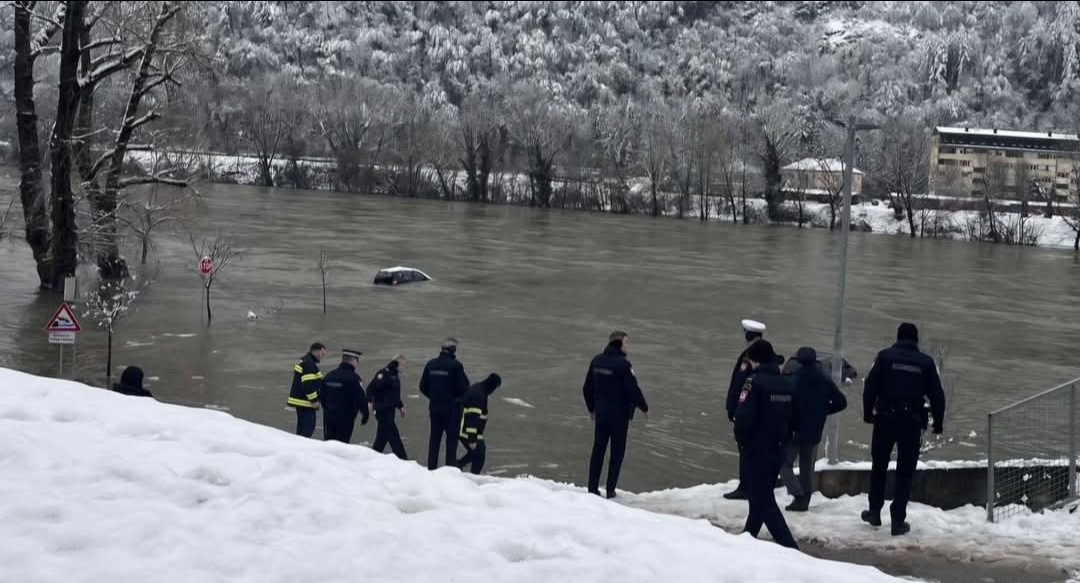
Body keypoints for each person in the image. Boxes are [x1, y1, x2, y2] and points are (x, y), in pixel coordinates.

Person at [861, 322, 946, 536]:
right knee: (905, 471)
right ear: (915, 340)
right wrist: (938, 422)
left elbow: (870, 387)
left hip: (885, 419)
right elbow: (937, 395)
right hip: (912, 421)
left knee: (879, 465)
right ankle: (898, 520)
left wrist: (868, 413)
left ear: (898, 337)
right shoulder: (926, 363)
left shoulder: (884, 357)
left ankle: (874, 511)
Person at [733, 339, 799, 550]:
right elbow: (794, 418)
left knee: (764, 502)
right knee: (759, 497)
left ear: (756, 360)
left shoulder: (754, 382)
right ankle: (748, 537)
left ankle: (791, 549)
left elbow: (743, 417)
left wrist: (742, 441)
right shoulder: (786, 384)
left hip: (756, 449)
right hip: (777, 449)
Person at [583, 330, 649, 499]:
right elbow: (632, 389)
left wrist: (592, 409)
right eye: (626, 342)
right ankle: (610, 490)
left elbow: (587, 388)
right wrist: (644, 407)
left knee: (598, 450)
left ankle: (592, 489)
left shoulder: (597, 361)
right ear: (619, 343)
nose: (628, 345)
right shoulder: (623, 365)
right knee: (617, 453)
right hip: (619, 416)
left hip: (601, 414)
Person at [780, 347, 847, 511]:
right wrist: (824, 411)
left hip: (795, 430)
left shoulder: (794, 380)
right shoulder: (824, 379)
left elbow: (786, 405)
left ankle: (798, 493)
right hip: (815, 430)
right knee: (807, 468)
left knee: (784, 464)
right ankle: (804, 500)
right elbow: (841, 402)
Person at [724, 318, 766, 500]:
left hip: (746, 411)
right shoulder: (764, 353)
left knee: (745, 449)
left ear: (749, 335)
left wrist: (734, 408)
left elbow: (740, 384)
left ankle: (745, 487)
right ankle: (751, 484)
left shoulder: (750, 357)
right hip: (753, 411)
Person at [419, 338, 470, 470]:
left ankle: (431, 469)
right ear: (453, 350)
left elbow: (422, 386)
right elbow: (464, 388)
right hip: (452, 410)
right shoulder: (456, 366)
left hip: (435, 408)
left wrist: (434, 397)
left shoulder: (430, 364)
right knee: (451, 443)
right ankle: (449, 471)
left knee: (434, 441)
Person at [456, 373, 503, 475]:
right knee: (479, 453)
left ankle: (459, 465)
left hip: (471, 430)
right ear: (493, 385)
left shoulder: (480, 390)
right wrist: (472, 439)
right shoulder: (479, 394)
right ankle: (473, 476)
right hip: (467, 430)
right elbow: (472, 417)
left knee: (477, 452)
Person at [321, 348, 369, 443]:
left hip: (329, 415)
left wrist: (327, 408)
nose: (358, 363)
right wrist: (365, 414)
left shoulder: (329, 376)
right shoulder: (354, 378)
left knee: (329, 442)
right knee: (342, 443)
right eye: (357, 360)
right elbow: (360, 398)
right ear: (353, 360)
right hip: (346, 417)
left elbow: (322, 396)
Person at [368, 355, 409, 460]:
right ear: (397, 364)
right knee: (393, 434)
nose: (404, 367)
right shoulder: (384, 373)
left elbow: (394, 394)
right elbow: (371, 388)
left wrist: (400, 406)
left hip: (390, 410)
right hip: (382, 409)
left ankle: (372, 457)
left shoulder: (394, 375)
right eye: (403, 365)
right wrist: (369, 402)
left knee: (382, 437)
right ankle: (403, 459)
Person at [287, 342, 327, 438]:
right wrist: (314, 400)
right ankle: (301, 446)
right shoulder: (309, 364)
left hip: (301, 401)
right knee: (307, 428)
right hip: (306, 403)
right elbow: (308, 385)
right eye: (322, 354)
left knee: (301, 428)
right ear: (318, 351)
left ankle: (298, 444)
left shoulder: (304, 360)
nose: (323, 357)